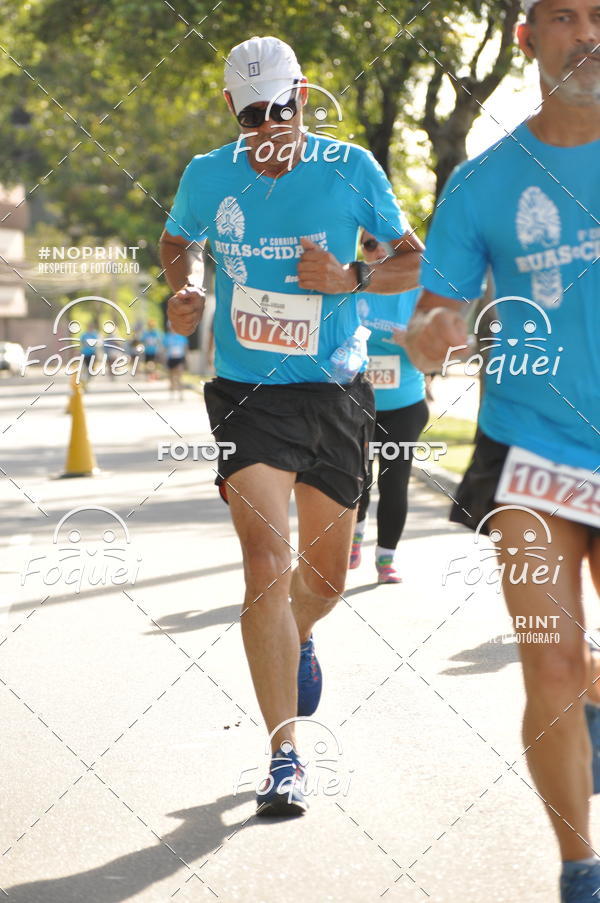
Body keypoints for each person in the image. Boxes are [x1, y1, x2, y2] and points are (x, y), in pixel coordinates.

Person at [159, 35, 423, 816]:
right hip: (248, 393)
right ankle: (283, 755)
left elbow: (412, 258)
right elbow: (180, 241)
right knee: (264, 563)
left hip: (337, 392)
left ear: (302, 97)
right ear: (231, 111)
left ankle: (297, 633)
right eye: (251, 115)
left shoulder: (352, 170)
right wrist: (188, 288)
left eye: (279, 109)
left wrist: (354, 276)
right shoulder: (208, 175)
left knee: (325, 578)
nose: (266, 127)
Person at [405, 1, 600, 899]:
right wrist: (438, 328)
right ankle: (580, 867)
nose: (588, 32)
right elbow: (437, 305)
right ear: (527, 39)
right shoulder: (483, 183)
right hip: (532, 446)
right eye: (565, 15)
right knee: (549, 657)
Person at [350, 231, 428, 584]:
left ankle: (386, 559)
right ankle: (353, 536)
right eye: (369, 243)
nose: (379, 249)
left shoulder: (417, 290)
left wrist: (411, 341)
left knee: (394, 482)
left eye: (390, 243)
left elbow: (433, 356)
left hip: (405, 404)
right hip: (356, 401)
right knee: (357, 477)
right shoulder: (349, 282)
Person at [163, 325, 188, 399]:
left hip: (179, 359)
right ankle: (172, 393)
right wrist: (164, 359)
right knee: (171, 377)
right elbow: (164, 349)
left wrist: (186, 359)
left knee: (179, 377)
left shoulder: (181, 336)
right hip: (171, 358)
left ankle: (181, 394)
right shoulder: (167, 337)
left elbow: (185, 348)